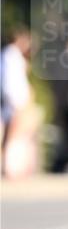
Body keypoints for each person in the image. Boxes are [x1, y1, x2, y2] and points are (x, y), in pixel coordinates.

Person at [1, 26, 41, 179]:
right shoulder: (10, 56)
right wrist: (18, 104)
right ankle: (10, 169)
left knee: (16, 138)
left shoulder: (14, 56)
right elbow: (10, 84)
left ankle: (13, 168)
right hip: (16, 104)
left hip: (17, 103)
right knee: (13, 138)